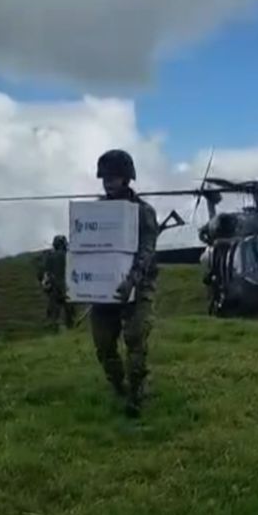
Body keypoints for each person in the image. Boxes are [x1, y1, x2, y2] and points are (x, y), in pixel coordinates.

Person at [87, 149, 160, 418]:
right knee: (103, 343)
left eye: (114, 176)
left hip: (138, 286)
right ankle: (118, 385)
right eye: (105, 177)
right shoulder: (95, 212)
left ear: (127, 178)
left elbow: (147, 250)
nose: (108, 182)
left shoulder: (143, 212)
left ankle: (137, 392)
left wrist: (132, 280)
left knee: (135, 337)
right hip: (104, 289)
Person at [37, 235, 74, 330]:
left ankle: (53, 329)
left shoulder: (49, 257)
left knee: (53, 314)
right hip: (68, 288)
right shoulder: (70, 256)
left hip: (54, 289)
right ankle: (70, 329)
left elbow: (41, 273)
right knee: (70, 314)